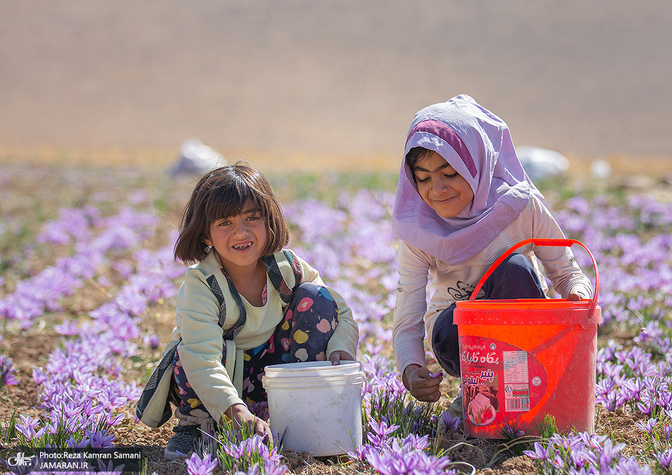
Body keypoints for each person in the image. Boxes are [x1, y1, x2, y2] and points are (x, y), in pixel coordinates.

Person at [391, 94, 592, 411]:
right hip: (456, 336)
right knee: (461, 316)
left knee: (513, 267)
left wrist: (578, 296)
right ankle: (481, 388)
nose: (438, 190)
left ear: (477, 164)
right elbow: (408, 314)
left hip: (524, 334)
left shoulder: (519, 206)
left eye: (450, 172)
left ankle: (519, 388)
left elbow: (566, 272)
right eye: (424, 178)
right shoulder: (419, 229)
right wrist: (411, 369)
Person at [164, 162, 359, 460]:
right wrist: (235, 411)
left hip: (275, 378)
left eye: (252, 218)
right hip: (219, 381)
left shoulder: (285, 267)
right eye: (225, 223)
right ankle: (198, 426)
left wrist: (340, 347)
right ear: (206, 236)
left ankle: (305, 411)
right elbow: (202, 359)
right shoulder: (202, 284)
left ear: (269, 221)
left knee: (315, 297)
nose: (241, 232)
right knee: (185, 354)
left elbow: (340, 310)